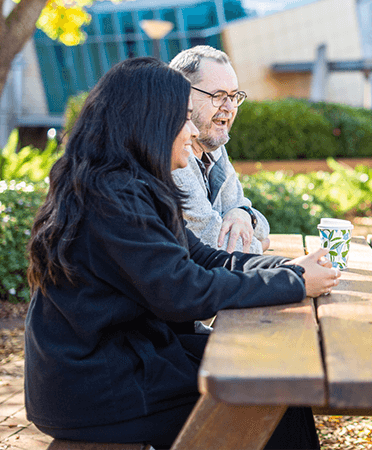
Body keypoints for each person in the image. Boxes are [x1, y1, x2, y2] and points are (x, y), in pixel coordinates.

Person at [24, 57, 340, 449]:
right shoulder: (112, 198)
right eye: (184, 118)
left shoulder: (132, 185)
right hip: (98, 385)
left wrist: (289, 267)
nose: (192, 131)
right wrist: (292, 283)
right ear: (150, 124)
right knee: (270, 393)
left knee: (276, 376)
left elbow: (204, 258)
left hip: (124, 357)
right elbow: (183, 292)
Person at [169, 45, 269, 254]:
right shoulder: (173, 157)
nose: (230, 107)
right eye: (218, 95)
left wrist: (242, 213)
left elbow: (261, 227)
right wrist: (260, 246)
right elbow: (216, 246)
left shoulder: (214, 150)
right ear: (181, 95)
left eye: (234, 96)